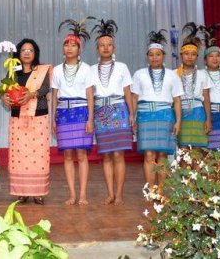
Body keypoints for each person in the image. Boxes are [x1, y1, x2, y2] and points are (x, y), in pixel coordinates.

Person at [131, 30, 183, 191]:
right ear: (147, 56)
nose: (154, 57)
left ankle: (161, 189)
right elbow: (134, 97)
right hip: (145, 116)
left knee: (162, 155)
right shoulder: (139, 74)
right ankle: (152, 190)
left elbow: (177, 99)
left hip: (165, 116)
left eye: (158, 54)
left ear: (163, 56)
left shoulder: (172, 75)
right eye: (151, 54)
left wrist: (178, 121)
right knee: (148, 155)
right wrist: (132, 117)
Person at [90, 19, 134, 206]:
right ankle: (109, 193)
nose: (106, 48)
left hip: (119, 111)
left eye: (109, 45)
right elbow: (90, 95)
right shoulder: (91, 70)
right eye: (102, 45)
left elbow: (127, 92)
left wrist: (132, 114)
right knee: (106, 155)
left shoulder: (122, 67)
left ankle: (120, 194)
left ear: (114, 47)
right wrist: (91, 117)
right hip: (101, 112)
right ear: (97, 49)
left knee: (118, 155)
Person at [2, 39, 51, 205]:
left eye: (30, 50)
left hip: (39, 118)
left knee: (39, 156)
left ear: (35, 53)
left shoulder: (42, 71)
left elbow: (46, 88)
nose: (27, 53)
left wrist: (32, 94)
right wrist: (5, 97)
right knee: (19, 157)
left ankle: (38, 193)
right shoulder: (13, 72)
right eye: (24, 50)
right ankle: (21, 192)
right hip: (18, 118)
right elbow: (5, 91)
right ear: (18, 53)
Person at [51, 18, 94, 205]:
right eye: (66, 45)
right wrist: (53, 118)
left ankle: (83, 194)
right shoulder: (57, 71)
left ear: (79, 49)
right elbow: (54, 96)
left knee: (82, 154)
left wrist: (90, 119)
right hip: (63, 114)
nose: (69, 48)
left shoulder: (86, 69)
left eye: (73, 45)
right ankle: (72, 194)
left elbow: (90, 95)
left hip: (81, 111)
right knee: (68, 154)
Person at [176, 23, 212, 151]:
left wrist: (208, 119)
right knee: (183, 152)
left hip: (198, 112)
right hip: (181, 113)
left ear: (197, 57)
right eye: (186, 53)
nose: (189, 57)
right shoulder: (174, 74)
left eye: (193, 54)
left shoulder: (203, 74)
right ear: (181, 55)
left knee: (198, 152)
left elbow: (206, 98)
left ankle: (198, 172)